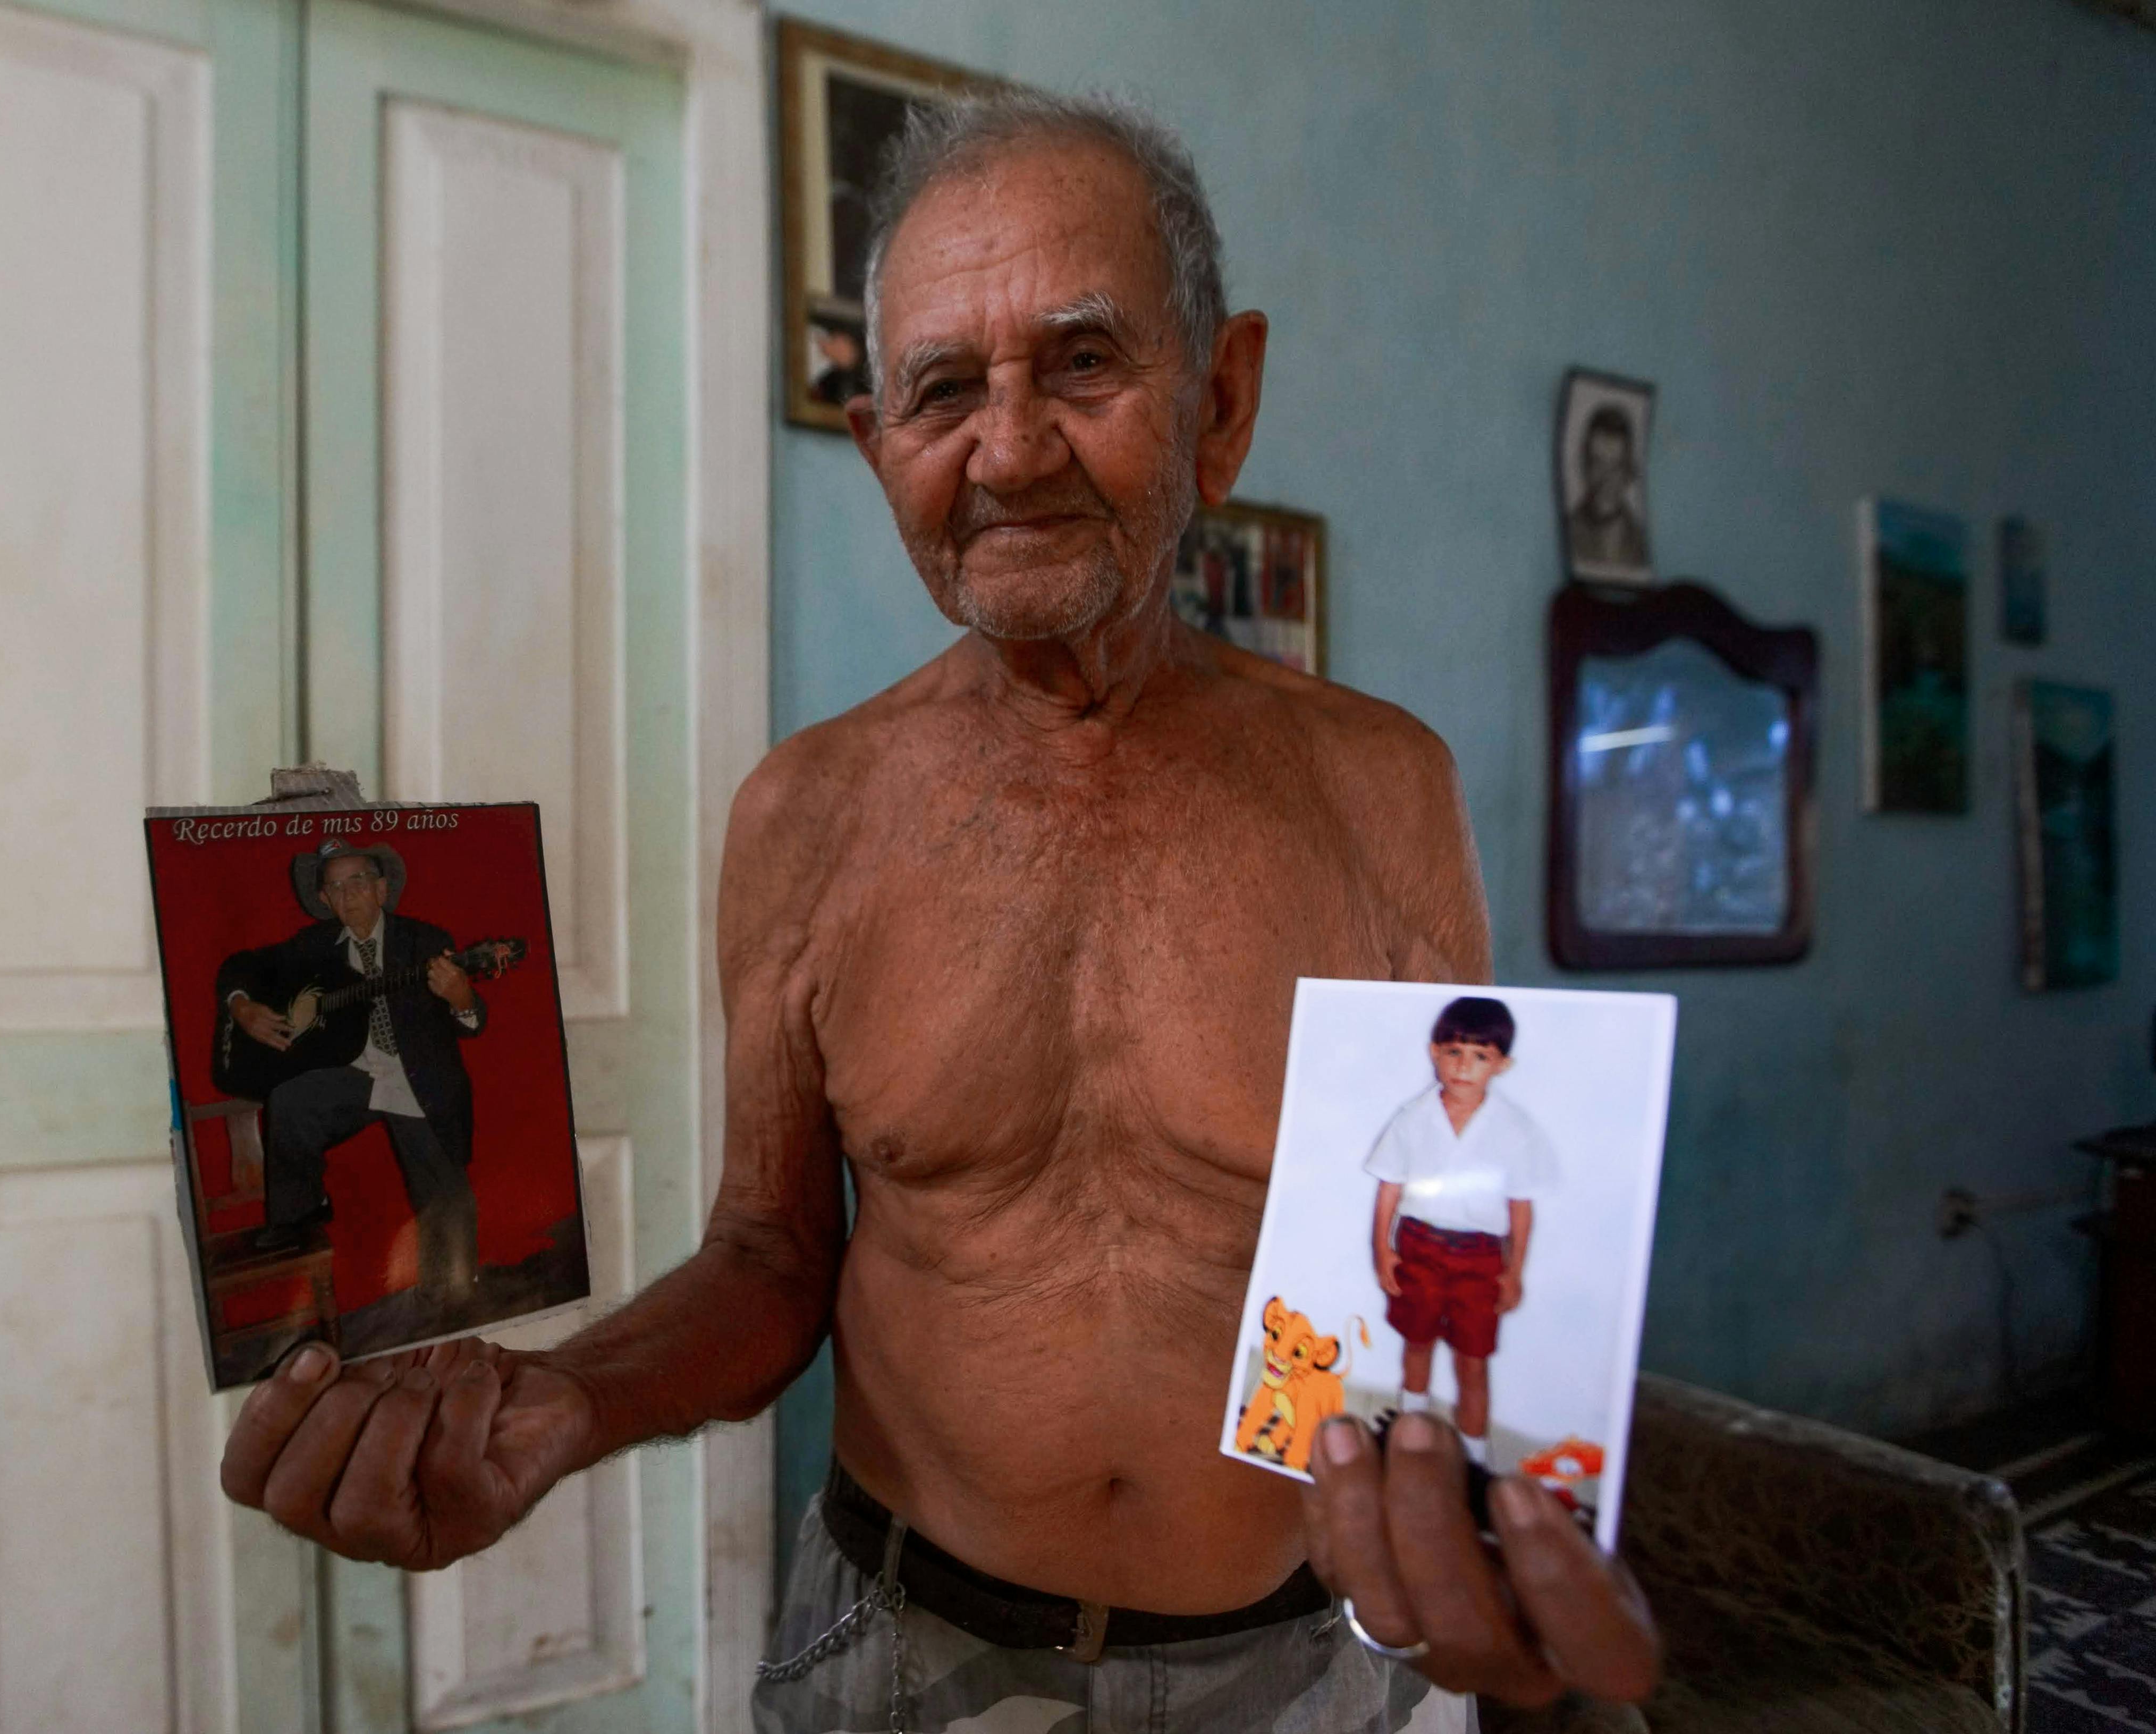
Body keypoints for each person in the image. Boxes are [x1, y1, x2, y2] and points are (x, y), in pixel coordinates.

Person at [218, 91, 1659, 1732]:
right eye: (944, 390)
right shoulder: (808, 814)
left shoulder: (1381, 789)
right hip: (901, 1653)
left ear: (1222, 398)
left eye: (1085, 364)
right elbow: (768, 1257)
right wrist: (558, 1404)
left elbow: (1445, 1266)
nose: (1011, 449)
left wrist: (1500, 1588)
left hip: (1300, 1663)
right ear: (878, 441)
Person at [221, 839, 487, 1314]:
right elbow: (242, 965)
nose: (348, 895)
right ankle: (301, 1210)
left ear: (382, 889)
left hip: (415, 1078)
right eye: (335, 887)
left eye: (358, 881)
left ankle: (451, 1300)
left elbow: (474, 1020)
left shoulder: (424, 941)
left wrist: (461, 997)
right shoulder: (312, 947)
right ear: (324, 900)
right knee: (290, 1100)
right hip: (357, 1073)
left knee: (446, 1198)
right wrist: (242, 1006)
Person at [1368, 996, 1557, 1467]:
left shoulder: (1515, 1129)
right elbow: (1389, 1189)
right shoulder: (1412, 1118)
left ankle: (1473, 1458)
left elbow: (1520, 1208)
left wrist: (1514, 1271)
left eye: (1480, 1056)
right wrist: (1383, 1250)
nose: (1464, 1067)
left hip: (1480, 1258)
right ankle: (1408, 1433)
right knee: (1417, 1341)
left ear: (1502, 1065)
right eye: (1454, 1052)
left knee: (1472, 1359)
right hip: (1419, 1247)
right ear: (1435, 1052)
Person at [1564, 402, 1651, 573]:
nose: (1606, 478)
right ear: (1585, 466)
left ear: (1629, 472)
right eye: (1598, 464)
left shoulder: (1639, 539)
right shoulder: (1568, 531)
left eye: (1615, 466)